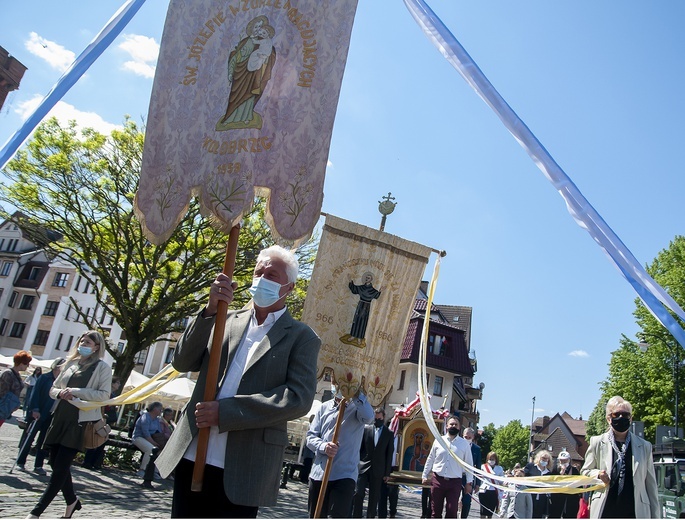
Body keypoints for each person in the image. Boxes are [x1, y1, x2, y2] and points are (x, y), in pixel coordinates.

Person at [155, 245, 321, 518]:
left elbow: (298, 398)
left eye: (272, 275)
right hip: (194, 452)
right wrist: (209, 310)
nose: (262, 279)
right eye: (259, 271)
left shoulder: (302, 337)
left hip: (246, 464)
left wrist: (227, 412)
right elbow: (182, 362)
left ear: (289, 287)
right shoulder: (224, 318)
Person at [27, 331, 112, 519]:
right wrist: (60, 393)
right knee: (57, 465)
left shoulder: (102, 368)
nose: (83, 343)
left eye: (88, 341)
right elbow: (53, 389)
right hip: (59, 418)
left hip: (79, 423)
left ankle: (35, 513)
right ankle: (72, 501)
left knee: (59, 469)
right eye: (82, 340)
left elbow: (104, 395)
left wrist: (74, 391)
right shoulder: (71, 363)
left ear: (96, 346)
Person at [581, 395, 659, 518]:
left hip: (635, 511)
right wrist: (598, 474)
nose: (621, 417)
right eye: (616, 414)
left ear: (631, 418)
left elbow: (651, 485)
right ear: (608, 418)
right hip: (605, 509)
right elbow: (585, 472)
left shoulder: (644, 446)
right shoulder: (597, 442)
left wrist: (656, 516)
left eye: (625, 415)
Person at [307, 382, 374, 518]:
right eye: (335, 381)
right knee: (316, 515)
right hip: (320, 473)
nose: (338, 385)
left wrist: (356, 394)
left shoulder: (358, 408)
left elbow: (369, 417)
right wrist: (323, 446)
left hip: (344, 474)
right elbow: (310, 437)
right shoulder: (323, 408)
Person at [218, 15, 276, 129]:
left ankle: (246, 117)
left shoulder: (262, 41)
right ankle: (229, 118)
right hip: (240, 72)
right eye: (256, 27)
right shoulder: (244, 41)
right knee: (235, 95)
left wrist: (264, 58)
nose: (257, 29)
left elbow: (268, 54)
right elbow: (235, 56)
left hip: (253, 73)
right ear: (251, 27)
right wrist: (230, 72)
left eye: (260, 27)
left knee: (249, 95)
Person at [16, 358, 66, 475]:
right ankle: (20, 461)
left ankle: (38, 465)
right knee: (29, 438)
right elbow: (35, 394)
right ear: (57, 366)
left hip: (50, 415)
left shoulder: (62, 383)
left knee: (43, 441)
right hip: (37, 413)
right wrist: (35, 409)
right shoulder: (44, 378)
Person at [422, 416, 474, 518]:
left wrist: (469, 483)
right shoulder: (438, 440)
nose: (453, 426)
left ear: (459, 428)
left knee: (451, 511)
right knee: (435, 511)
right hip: (438, 480)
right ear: (447, 426)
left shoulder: (464, 444)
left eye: (456, 425)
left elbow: (469, 464)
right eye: (451, 424)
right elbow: (431, 458)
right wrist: (424, 475)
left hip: (454, 483)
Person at [353, 407, 395, 518]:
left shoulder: (389, 433)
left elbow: (389, 454)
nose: (377, 421)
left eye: (379, 419)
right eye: (375, 419)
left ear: (383, 418)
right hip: (363, 466)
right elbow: (360, 448)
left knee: (374, 497)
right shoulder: (366, 430)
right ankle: (356, 516)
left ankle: (370, 517)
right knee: (358, 493)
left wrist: (387, 473)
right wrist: (357, 463)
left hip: (378, 469)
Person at [83, 376, 121, 470]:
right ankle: (88, 462)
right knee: (95, 438)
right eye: (117, 383)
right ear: (112, 383)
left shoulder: (112, 394)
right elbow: (103, 405)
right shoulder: (106, 393)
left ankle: (94, 462)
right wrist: (111, 407)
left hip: (105, 420)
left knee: (102, 440)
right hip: (100, 419)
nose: (119, 385)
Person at [132, 401, 164, 478]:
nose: (161, 411)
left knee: (160, 451)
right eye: (160, 409)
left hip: (151, 439)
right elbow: (145, 432)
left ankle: (154, 471)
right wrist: (154, 443)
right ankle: (142, 470)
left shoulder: (157, 420)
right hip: (139, 438)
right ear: (155, 409)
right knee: (151, 449)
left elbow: (158, 432)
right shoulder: (145, 417)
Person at [0, 350, 32, 428]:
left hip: (6, 409)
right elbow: (1, 391)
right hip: (2, 407)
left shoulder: (16, 374)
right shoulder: (8, 373)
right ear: (21, 363)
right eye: (27, 363)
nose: (28, 366)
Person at [548, 451, 580, 518]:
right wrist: (560, 474)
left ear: (569, 460)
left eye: (565, 460)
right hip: (557, 499)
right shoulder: (554, 469)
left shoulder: (574, 470)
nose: (563, 462)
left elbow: (579, 485)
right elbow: (552, 482)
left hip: (570, 499)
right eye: (561, 460)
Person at [461, 427, 482, 518]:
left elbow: (478, 467)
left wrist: (477, 484)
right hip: (457, 476)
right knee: (453, 499)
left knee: (466, 501)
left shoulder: (477, 449)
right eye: (466, 437)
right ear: (462, 436)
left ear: (473, 437)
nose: (467, 439)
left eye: (469, 437)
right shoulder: (458, 446)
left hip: (469, 478)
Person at [525, 450, 553, 518]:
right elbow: (523, 477)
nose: (545, 460)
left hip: (542, 499)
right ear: (539, 458)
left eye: (547, 459)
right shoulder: (530, 466)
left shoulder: (549, 473)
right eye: (543, 458)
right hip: (529, 496)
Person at [378, 430, 400, 519]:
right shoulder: (387, 435)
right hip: (385, 466)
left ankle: (392, 512)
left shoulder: (399, 438)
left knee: (393, 493)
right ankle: (381, 515)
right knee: (382, 493)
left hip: (396, 467)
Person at [479, 451, 504, 518]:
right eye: (490, 459)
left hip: (494, 491)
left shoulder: (500, 468)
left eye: (493, 459)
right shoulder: (483, 467)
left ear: (496, 459)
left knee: (490, 512)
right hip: (484, 490)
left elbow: (501, 481)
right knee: (483, 511)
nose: (491, 461)